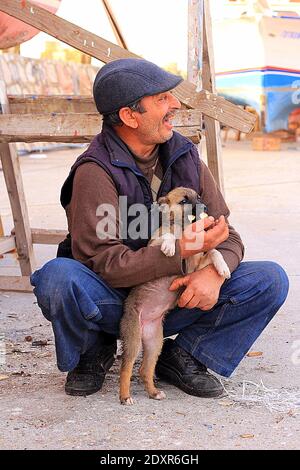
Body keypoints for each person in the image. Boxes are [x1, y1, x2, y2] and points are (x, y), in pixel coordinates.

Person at [30, 58, 289, 398]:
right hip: (112, 302)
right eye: (162, 99)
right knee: (58, 278)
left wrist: (210, 273)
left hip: (175, 296)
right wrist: (182, 254)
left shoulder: (185, 157)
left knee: (269, 280)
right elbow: (103, 264)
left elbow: (228, 233)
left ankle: (185, 356)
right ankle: (92, 349)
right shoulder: (95, 171)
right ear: (129, 115)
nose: (175, 105)